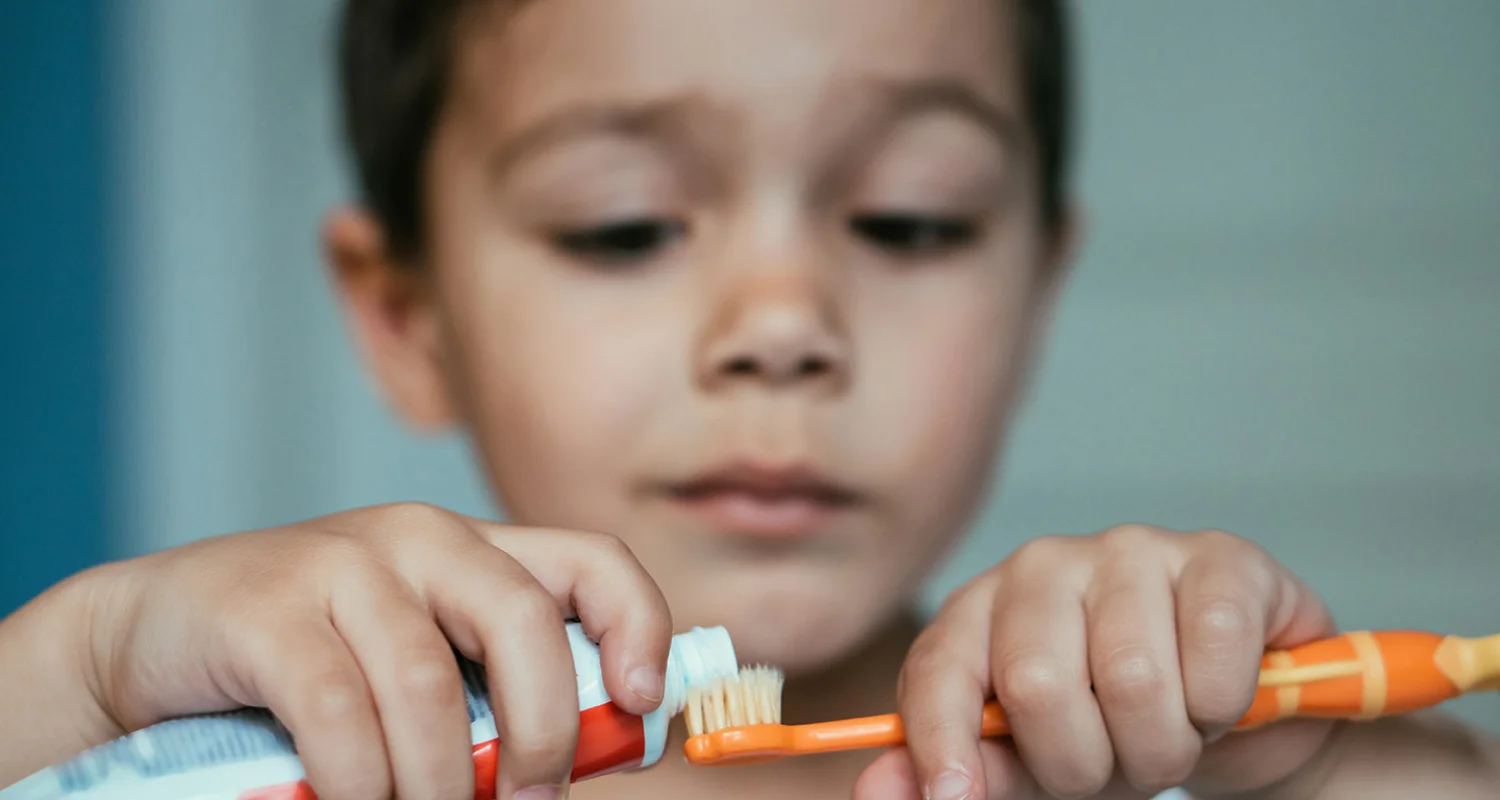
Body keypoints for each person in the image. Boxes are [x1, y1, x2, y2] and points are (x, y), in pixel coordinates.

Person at [2, 1, 1496, 798]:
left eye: (911, 219)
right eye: (624, 225)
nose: (783, 328)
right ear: (409, 316)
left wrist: (1323, 771)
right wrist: (78, 667)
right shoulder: (284, 770)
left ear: (1040, 285)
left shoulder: (1169, 761)